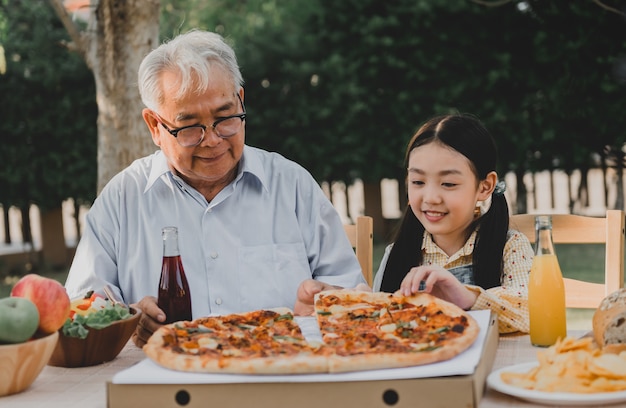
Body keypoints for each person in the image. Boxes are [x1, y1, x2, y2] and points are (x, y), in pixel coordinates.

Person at [64, 30, 366, 347]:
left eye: (225, 117)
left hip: (279, 381)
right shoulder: (122, 200)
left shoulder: (291, 186)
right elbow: (80, 315)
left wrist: (323, 306)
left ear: (241, 100)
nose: (212, 140)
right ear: (155, 126)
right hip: (165, 387)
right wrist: (128, 319)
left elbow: (352, 296)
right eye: (190, 127)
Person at [373, 113, 533, 333]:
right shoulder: (396, 254)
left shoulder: (510, 246)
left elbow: (533, 311)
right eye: (418, 182)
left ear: (484, 187)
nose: (430, 197)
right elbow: (380, 325)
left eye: (448, 183)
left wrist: (467, 297)